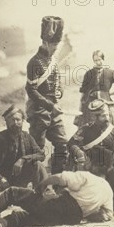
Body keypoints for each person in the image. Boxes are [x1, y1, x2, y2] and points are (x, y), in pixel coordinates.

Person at [0, 171, 114, 227]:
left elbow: (57, 178)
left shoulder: (87, 176)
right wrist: (86, 215)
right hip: (71, 219)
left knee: (13, 192)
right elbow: (106, 215)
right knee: (26, 217)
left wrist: (39, 188)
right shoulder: (108, 192)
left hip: (61, 205)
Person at [25, 16, 68, 174]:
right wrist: (50, 105)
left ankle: (57, 179)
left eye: (58, 43)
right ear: (45, 43)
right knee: (37, 150)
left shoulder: (53, 60)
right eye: (54, 44)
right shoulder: (34, 62)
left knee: (63, 144)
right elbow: (31, 90)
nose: (57, 47)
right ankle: (36, 184)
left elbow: (56, 79)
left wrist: (60, 89)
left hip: (53, 111)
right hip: (39, 112)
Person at [0, 105, 48, 199]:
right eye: (11, 120)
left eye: (18, 120)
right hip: (1, 181)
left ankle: (42, 197)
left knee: (38, 165)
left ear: (23, 120)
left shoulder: (27, 137)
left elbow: (41, 155)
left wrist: (23, 159)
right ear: (6, 122)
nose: (15, 123)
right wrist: (0, 178)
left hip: (20, 180)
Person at [68, 99, 114, 173]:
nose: (107, 119)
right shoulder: (86, 129)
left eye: (107, 115)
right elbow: (71, 144)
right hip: (89, 167)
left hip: (107, 169)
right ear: (94, 117)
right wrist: (79, 153)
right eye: (103, 116)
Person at [78, 50, 114, 128]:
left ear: (103, 59)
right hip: (91, 104)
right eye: (95, 60)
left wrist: (110, 93)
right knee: (90, 126)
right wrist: (81, 107)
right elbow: (83, 91)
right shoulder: (88, 74)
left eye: (99, 60)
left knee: (109, 125)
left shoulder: (110, 73)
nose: (98, 62)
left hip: (106, 102)